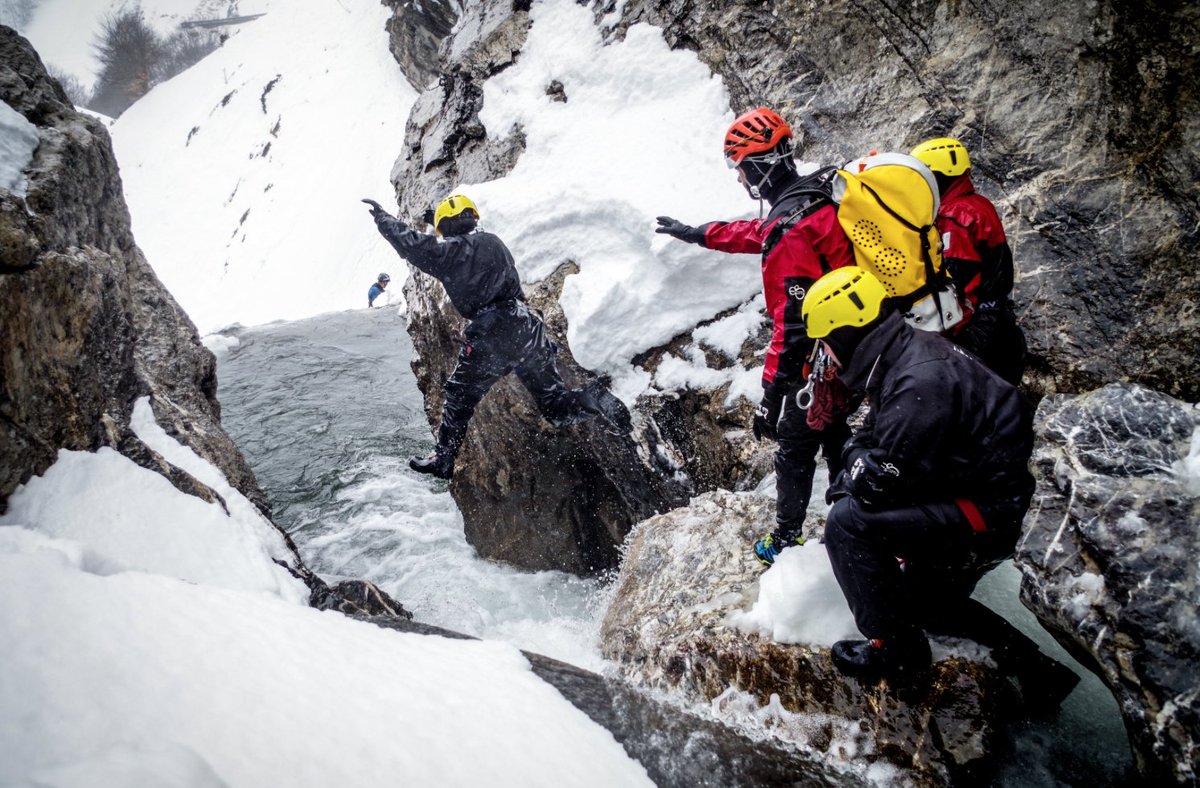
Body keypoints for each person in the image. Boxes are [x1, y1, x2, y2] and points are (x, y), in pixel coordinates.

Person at [805, 267, 1077, 705]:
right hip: (989, 493)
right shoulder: (908, 354)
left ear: (843, 336)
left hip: (992, 512)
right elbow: (869, 440)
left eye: (823, 344)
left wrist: (851, 475)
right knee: (925, 604)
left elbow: (875, 484)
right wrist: (857, 465)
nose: (823, 356)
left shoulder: (917, 380)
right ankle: (1040, 672)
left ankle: (895, 649)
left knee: (848, 524)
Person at [655, 107, 857, 565]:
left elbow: (793, 325)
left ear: (755, 167)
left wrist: (771, 394)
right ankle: (855, 508)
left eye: (740, 169)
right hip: (860, 341)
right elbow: (757, 232)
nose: (740, 180)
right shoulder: (817, 194)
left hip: (828, 355)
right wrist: (697, 233)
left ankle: (788, 539)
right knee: (835, 432)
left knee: (794, 441)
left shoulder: (789, 228)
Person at [362, 193, 607, 480]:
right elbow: (463, 245)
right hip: (526, 326)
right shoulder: (495, 243)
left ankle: (443, 459)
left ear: (446, 227)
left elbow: (415, 247)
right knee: (555, 405)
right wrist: (438, 222)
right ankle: (597, 398)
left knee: (458, 396)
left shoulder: (450, 254)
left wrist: (383, 219)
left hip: (493, 332)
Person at [911, 138, 1026, 385]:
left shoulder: (954, 216)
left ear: (936, 176)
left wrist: (951, 336)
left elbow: (958, 282)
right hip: (998, 320)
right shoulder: (978, 204)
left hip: (976, 329)